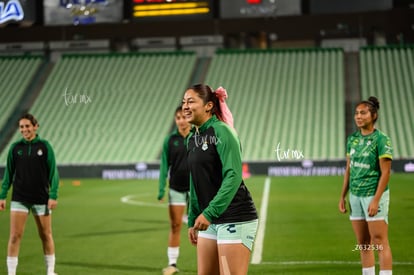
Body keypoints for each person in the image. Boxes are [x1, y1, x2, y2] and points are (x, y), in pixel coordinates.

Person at [182, 84, 258, 275]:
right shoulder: (192, 137)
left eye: (191, 101)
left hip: (234, 217)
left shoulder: (222, 131)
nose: (185, 106)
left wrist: (208, 213)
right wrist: (193, 218)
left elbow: (233, 176)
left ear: (208, 106)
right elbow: (195, 181)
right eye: (183, 102)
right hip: (210, 218)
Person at [339, 97, 393, 275]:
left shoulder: (381, 139)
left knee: (379, 241)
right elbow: (349, 169)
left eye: (363, 113)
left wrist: (376, 200)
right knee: (363, 243)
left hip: (373, 194)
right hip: (355, 196)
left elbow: (385, 172)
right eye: (356, 113)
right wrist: (342, 196)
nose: (358, 116)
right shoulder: (352, 139)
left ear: (374, 115)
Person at [0, 114, 60, 275]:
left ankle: (50, 271)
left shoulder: (45, 146)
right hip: (20, 198)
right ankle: (11, 273)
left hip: (41, 197)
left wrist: (53, 195)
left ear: (35, 126)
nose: (24, 129)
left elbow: (53, 172)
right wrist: (2, 195)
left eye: (27, 126)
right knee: (14, 236)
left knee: (46, 235)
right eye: (21, 127)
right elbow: (8, 174)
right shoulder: (15, 148)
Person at [158, 106, 191, 275]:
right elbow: (164, 165)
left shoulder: (197, 137)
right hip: (176, 188)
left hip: (195, 188)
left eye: (184, 117)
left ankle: (208, 263)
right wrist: (161, 189)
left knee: (202, 227)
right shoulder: (170, 140)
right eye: (178, 117)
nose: (181, 120)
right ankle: (172, 264)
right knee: (176, 225)